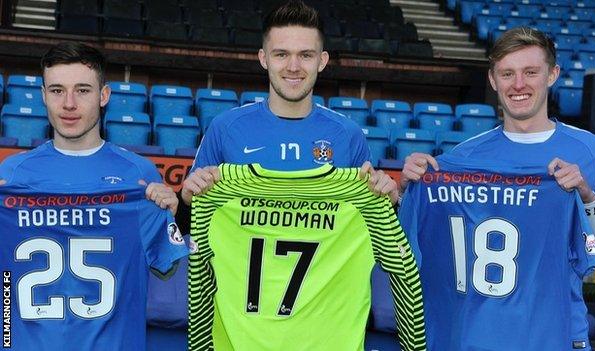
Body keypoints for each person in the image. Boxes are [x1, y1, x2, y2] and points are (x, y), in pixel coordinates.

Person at [400, 26, 595, 349]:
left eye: (530, 72)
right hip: (478, 339)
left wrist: (587, 197)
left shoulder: (593, 152)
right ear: (492, 80)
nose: (518, 84)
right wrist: (411, 189)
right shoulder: (463, 158)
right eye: (507, 74)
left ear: (552, 74)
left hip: (556, 339)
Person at [0, 41, 188, 350]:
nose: (69, 104)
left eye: (83, 90)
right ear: (44, 96)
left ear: (104, 95)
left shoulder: (138, 176)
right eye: (58, 90)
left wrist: (173, 212)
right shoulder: (13, 176)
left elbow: (168, 268)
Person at [177, 0, 398, 231]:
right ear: (264, 59)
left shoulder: (348, 134)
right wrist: (186, 199)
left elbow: (368, 228)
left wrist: (390, 202)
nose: (293, 66)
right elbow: (190, 222)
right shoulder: (225, 127)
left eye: (305, 55)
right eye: (281, 54)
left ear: (321, 61)